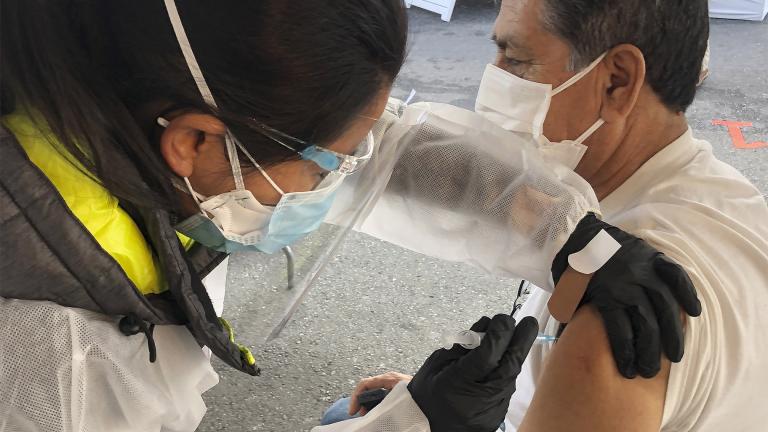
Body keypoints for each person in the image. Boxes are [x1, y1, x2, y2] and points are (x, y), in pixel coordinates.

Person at [0, 0, 701, 431]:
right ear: (190, 141)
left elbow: (389, 146)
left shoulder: (96, 105)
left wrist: (565, 234)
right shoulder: (51, 367)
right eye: (330, 164)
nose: (349, 174)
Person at [332, 0, 768, 430]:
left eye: (516, 59)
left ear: (617, 81)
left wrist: (417, 423)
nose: (492, 78)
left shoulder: (622, 324)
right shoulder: (725, 193)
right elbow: (457, 173)